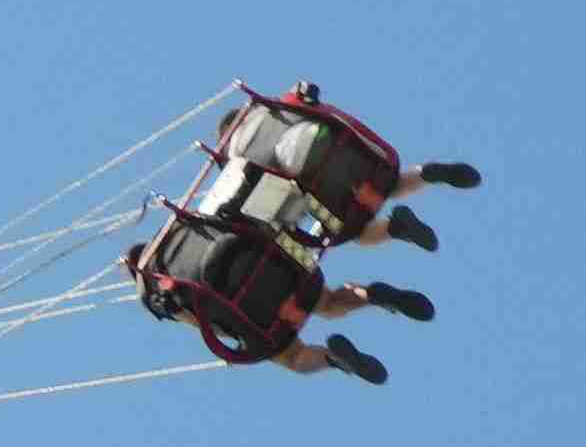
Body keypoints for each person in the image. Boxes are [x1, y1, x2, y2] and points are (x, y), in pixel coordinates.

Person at [129, 197, 411, 383]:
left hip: (251, 314)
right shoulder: (188, 222)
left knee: (292, 357)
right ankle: (374, 296)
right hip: (275, 271)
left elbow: (197, 321)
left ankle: (336, 360)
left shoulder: (151, 291)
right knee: (330, 302)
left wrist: (236, 339)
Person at [206, 84, 478, 255]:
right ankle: (427, 173)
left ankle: (396, 229)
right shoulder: (276, 108)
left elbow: (273, 205)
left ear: (227, 138)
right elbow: (316, 103)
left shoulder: (241, 159)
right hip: (349, 153)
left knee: (355, 233)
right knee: (387, 183)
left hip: (321, 189)